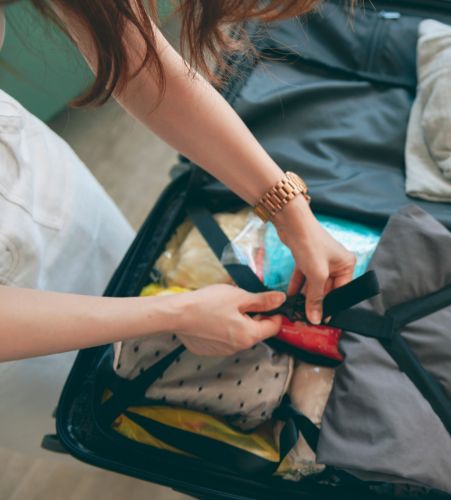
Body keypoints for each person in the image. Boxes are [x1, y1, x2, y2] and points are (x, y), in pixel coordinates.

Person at [0, 0, 355, 362]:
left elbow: (142, 66)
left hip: (30, 168)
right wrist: (173, 314)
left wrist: (290, 212)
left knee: (119, 282)